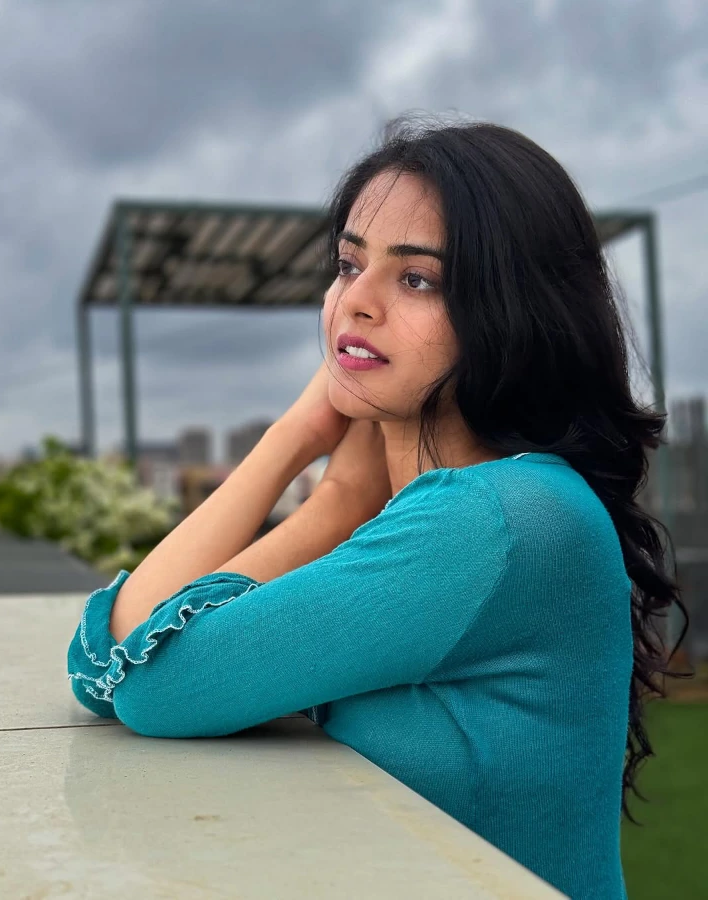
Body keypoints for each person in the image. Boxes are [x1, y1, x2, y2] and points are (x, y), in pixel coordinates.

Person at [68, 116, 689, 899]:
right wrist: (332, 485)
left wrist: (317, 473)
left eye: (417, 278)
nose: (353, 304)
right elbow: (103, 667)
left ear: (511, 312)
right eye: (347, 264)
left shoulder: (494, 520)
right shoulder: (462, 512)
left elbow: (150, 684)